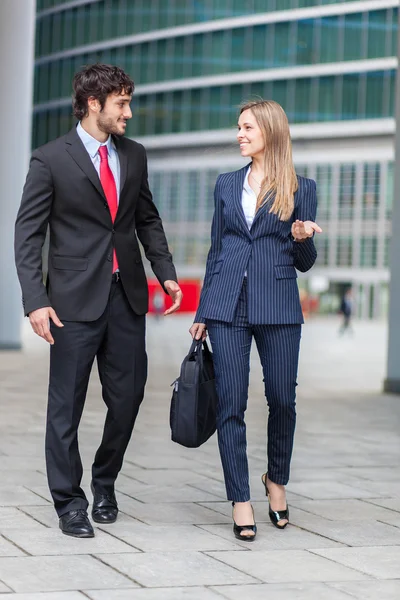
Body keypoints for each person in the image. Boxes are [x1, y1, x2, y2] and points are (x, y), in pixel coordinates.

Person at [14, 64, 182, 538]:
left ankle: (105, 481)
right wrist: (35, 300)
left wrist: (166, 275)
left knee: (128, 398)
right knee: (64, 406)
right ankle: (69, 502)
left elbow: (146, 219)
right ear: (94, 104)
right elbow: (28, 234)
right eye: (122, 103)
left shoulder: (134, 154)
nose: (129, 111)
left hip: (126, 297)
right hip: (69, 303)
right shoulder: (50, 159)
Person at [190, 100, 321, 541]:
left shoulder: (302, 188)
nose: (239, 134)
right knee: (231, 402)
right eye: (238, 127)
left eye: (246, 127)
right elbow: (217, 250)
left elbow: (305, 263)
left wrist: (301, 237)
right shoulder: (226, 184)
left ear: (269, 130)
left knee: (283, 399)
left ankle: (276, 481)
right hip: (227, 306)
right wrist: (203, 311)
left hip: (279, 306)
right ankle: (240, 499)